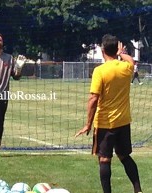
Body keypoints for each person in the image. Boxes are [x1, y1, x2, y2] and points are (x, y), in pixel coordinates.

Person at [75, 34, 143, 193]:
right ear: (115, 50)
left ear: (102, 49)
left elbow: (93, 99)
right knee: (125, 156)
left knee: (105, 160)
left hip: (105, 123)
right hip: (124, 121)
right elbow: (131, 61)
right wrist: (122, 53)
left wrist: (87, 124)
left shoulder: (99, 71)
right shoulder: (126, 68)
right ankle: (138, 190)